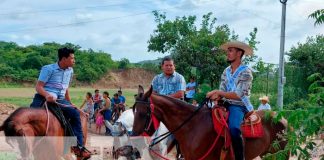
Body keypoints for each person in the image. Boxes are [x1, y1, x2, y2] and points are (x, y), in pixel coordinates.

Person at [30, 47, 91, 159]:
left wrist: (70, 103)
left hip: (60, 99)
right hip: (43, 97)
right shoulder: (48, 69)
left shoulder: (70, 71)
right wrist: (47, 95)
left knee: (75, 114)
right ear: (64, 59)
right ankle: (26, 147)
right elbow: (38, 87)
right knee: (31, 117)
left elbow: (65, 88)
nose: (74, 60)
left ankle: (79, 147)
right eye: (72, 58)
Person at [206, 41, 254, 160]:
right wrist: (215, 96)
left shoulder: (246, 72)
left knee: (234, 128)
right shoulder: (226, 71)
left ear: (239, 53)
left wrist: (218, 92)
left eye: (230, 50)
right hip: (225, 103)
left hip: (239, 105)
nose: (227, 53)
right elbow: (222, 90)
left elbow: (238, 95)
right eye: (228, 51)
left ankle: (239, 157)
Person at [151, 56, 186, 159]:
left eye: (171, 65)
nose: (169, 67)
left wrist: (163, 99)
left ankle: (181, 152)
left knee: (181, 131)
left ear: (174, 66)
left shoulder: (179, 77)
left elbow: (180, 94)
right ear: (162, 66)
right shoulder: (157, 78)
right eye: (166, 65)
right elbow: (153, 93)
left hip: (176, 110)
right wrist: (159, 100)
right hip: (159, 109)